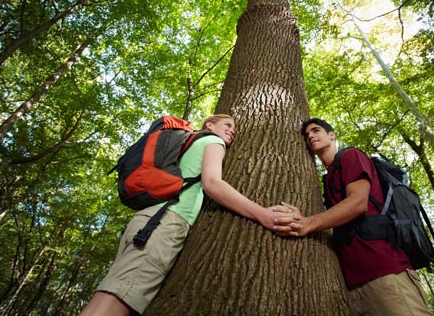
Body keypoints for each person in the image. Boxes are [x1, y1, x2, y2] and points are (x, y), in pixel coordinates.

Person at [81, 114, 296, 316]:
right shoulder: (212, 141)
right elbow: (213, 183)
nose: (233, 131)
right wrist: (262, 214)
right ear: (209, 125)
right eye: (227, 125)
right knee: (118, 299)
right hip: (164, 222)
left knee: (107, 296)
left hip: (148, 220)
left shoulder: (188, 145)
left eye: (234, 128)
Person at [274, 118, 432, 315]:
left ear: (332, 135)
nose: (311, 136)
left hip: (386, 271)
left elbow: (358, 203)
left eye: (316, 130)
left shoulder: (351, 156)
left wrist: (308, 223)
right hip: (352, 283)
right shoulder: (327, 177)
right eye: (306, 136)